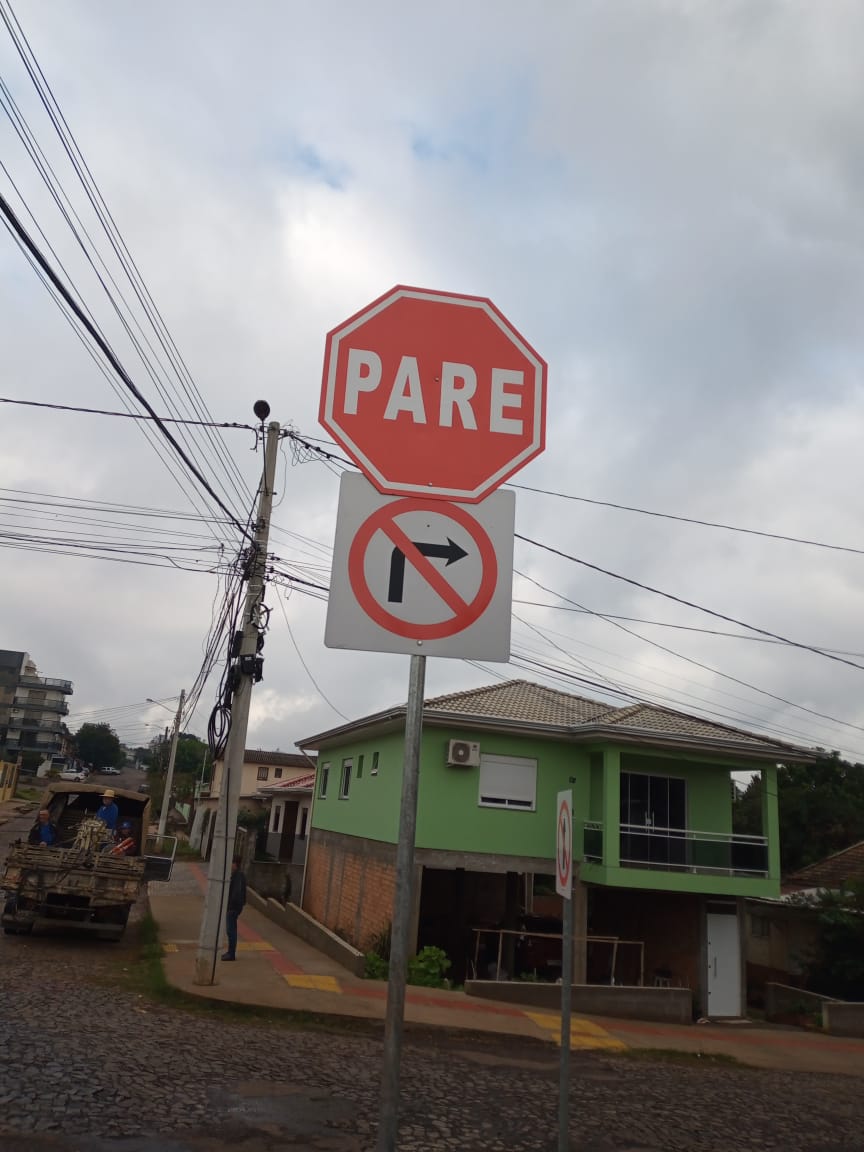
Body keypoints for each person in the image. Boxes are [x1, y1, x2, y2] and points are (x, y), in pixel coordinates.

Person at [221, 857, 247, 962]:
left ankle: (231, 954)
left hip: (233, 907)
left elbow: (236, 893)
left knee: (231, 931)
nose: (230, 865)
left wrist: (231, 905)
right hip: (234, 907)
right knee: (231, 931)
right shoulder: (236, 875)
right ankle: (230, 952)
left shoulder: (238, 876)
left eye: (231, 863)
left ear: (235, 864)